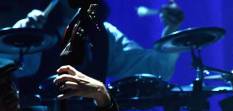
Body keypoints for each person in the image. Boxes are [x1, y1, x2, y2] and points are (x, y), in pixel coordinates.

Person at [7, 0, 184, 90]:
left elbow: (155, 69)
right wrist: (27, 35)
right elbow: (17, 69)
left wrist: (171, 30)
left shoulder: (103, 34)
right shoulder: (35, 27)